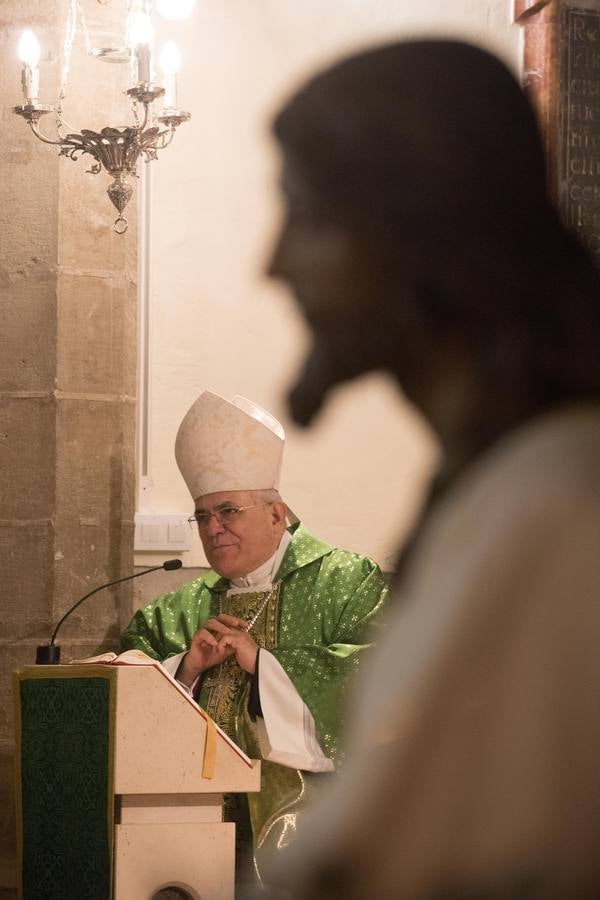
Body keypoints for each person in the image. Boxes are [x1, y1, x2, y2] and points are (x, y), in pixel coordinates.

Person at [259, 39, 600, 900]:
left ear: (418, 231)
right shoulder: (502, 485)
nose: (274, 265)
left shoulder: (552, 506)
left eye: (309, 216)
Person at [121, 389, 388, 885]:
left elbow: (388, 676)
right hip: (187, 829)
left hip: (308, 830)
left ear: (276, 513)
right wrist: (184, 668)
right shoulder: (178, 609)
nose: (212, 528)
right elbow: (112, 686)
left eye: (227, 511)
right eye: (202, 516)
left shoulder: (347, 583)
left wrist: (267, 665)